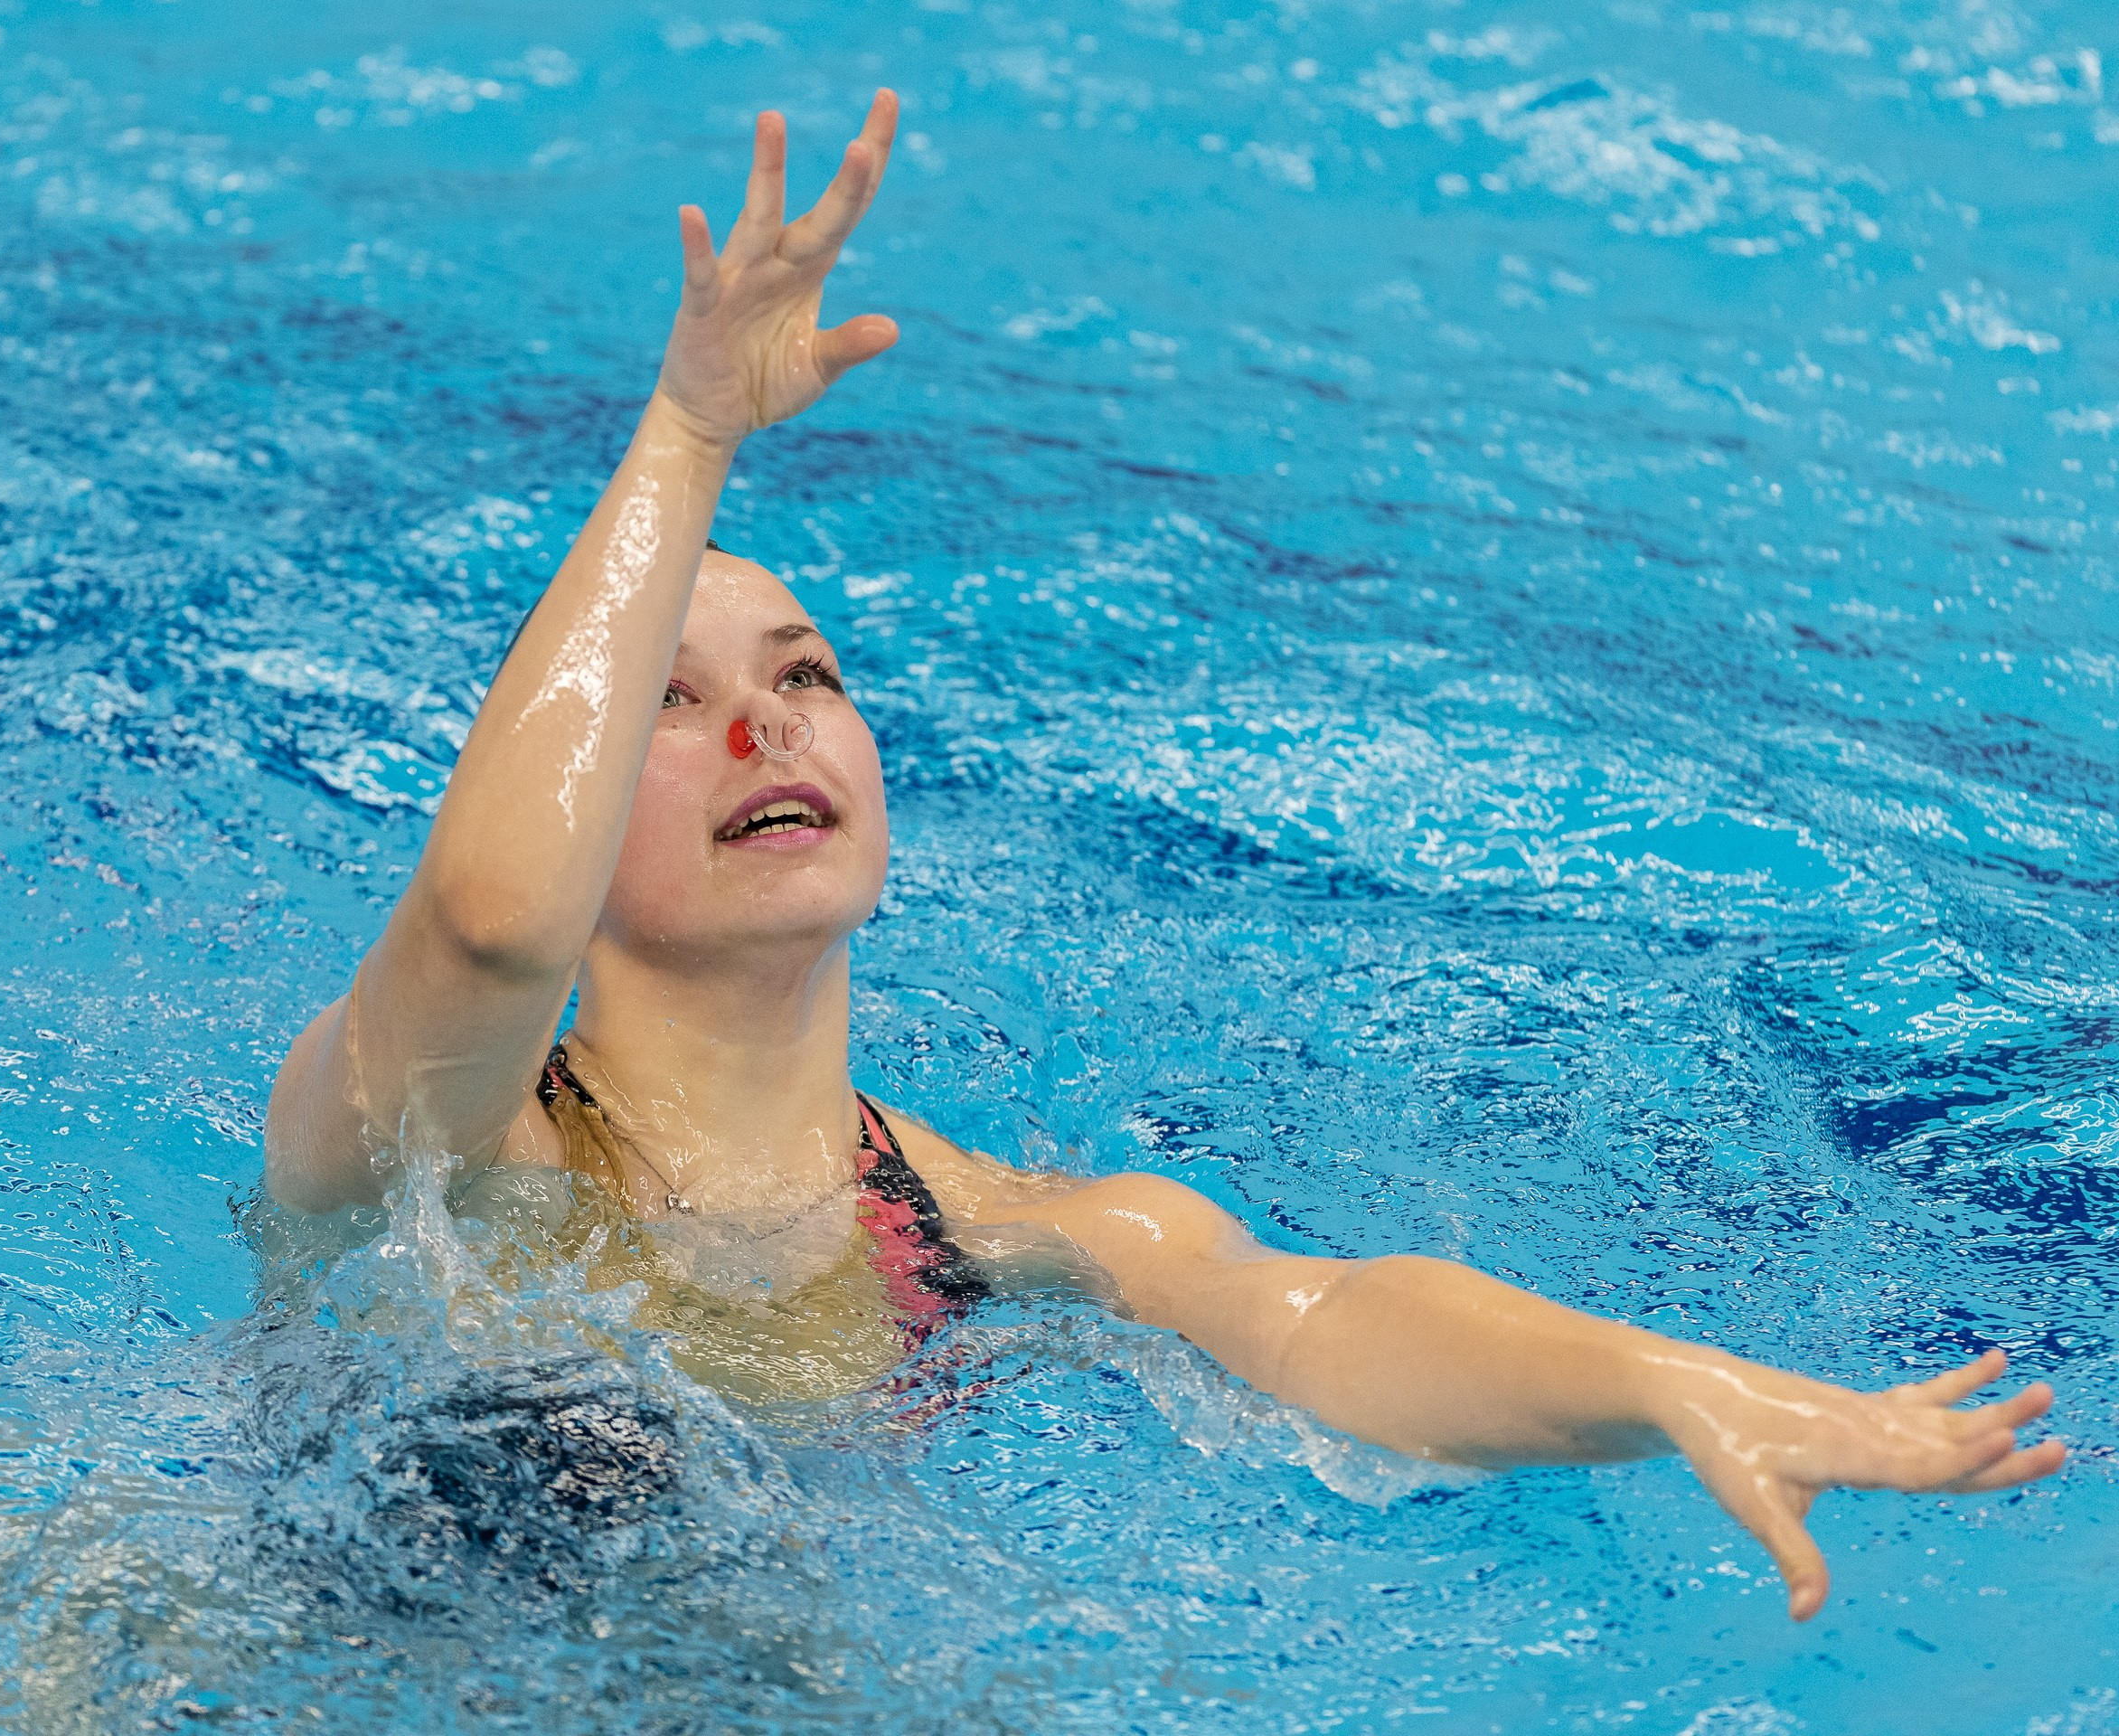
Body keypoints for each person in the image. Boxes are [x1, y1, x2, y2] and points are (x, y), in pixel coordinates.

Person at [263, 90, 2064, 1622]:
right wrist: (687, 436)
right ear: (564, 767)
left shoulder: (981, 1230)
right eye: (667, 700)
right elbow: (498, 922)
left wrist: (1661, 1384)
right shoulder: (429, 1139)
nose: (770, 727)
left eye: (807, 675)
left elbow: (1325, 1322)